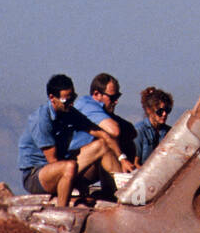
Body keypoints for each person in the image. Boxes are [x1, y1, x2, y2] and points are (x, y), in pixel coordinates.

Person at [17, 75, 122, 206]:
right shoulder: (41, 120)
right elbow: (52, 161)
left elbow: (102, 134)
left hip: (62, 164)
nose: (71, 103)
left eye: (73, 98)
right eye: (66, 100)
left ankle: (118, 195)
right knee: (69, 166)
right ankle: (62, 210)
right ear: (52, 98)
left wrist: (122, 158)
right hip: (37, 175)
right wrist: (79, 184)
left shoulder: (69, 112)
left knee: (102, 146)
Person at [71, 74, 137, 172]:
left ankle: (113, 184)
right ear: (97, 94)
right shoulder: (87, 105)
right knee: (104, 145)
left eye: (117, 96)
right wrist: (122, 158)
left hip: (83, 159)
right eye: (113, 97)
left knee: (126, 144)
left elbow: (132, 132)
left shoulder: (103, 111)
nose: (116, 101)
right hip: (69, 161)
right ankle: (124, 183)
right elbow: (114, 131)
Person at [135, 88, 173, 165]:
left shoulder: (170, 132)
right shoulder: (139, 131)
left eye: (167, 110)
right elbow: (135, 163)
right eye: (160, 111)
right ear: (149, 110)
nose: (164, 114)